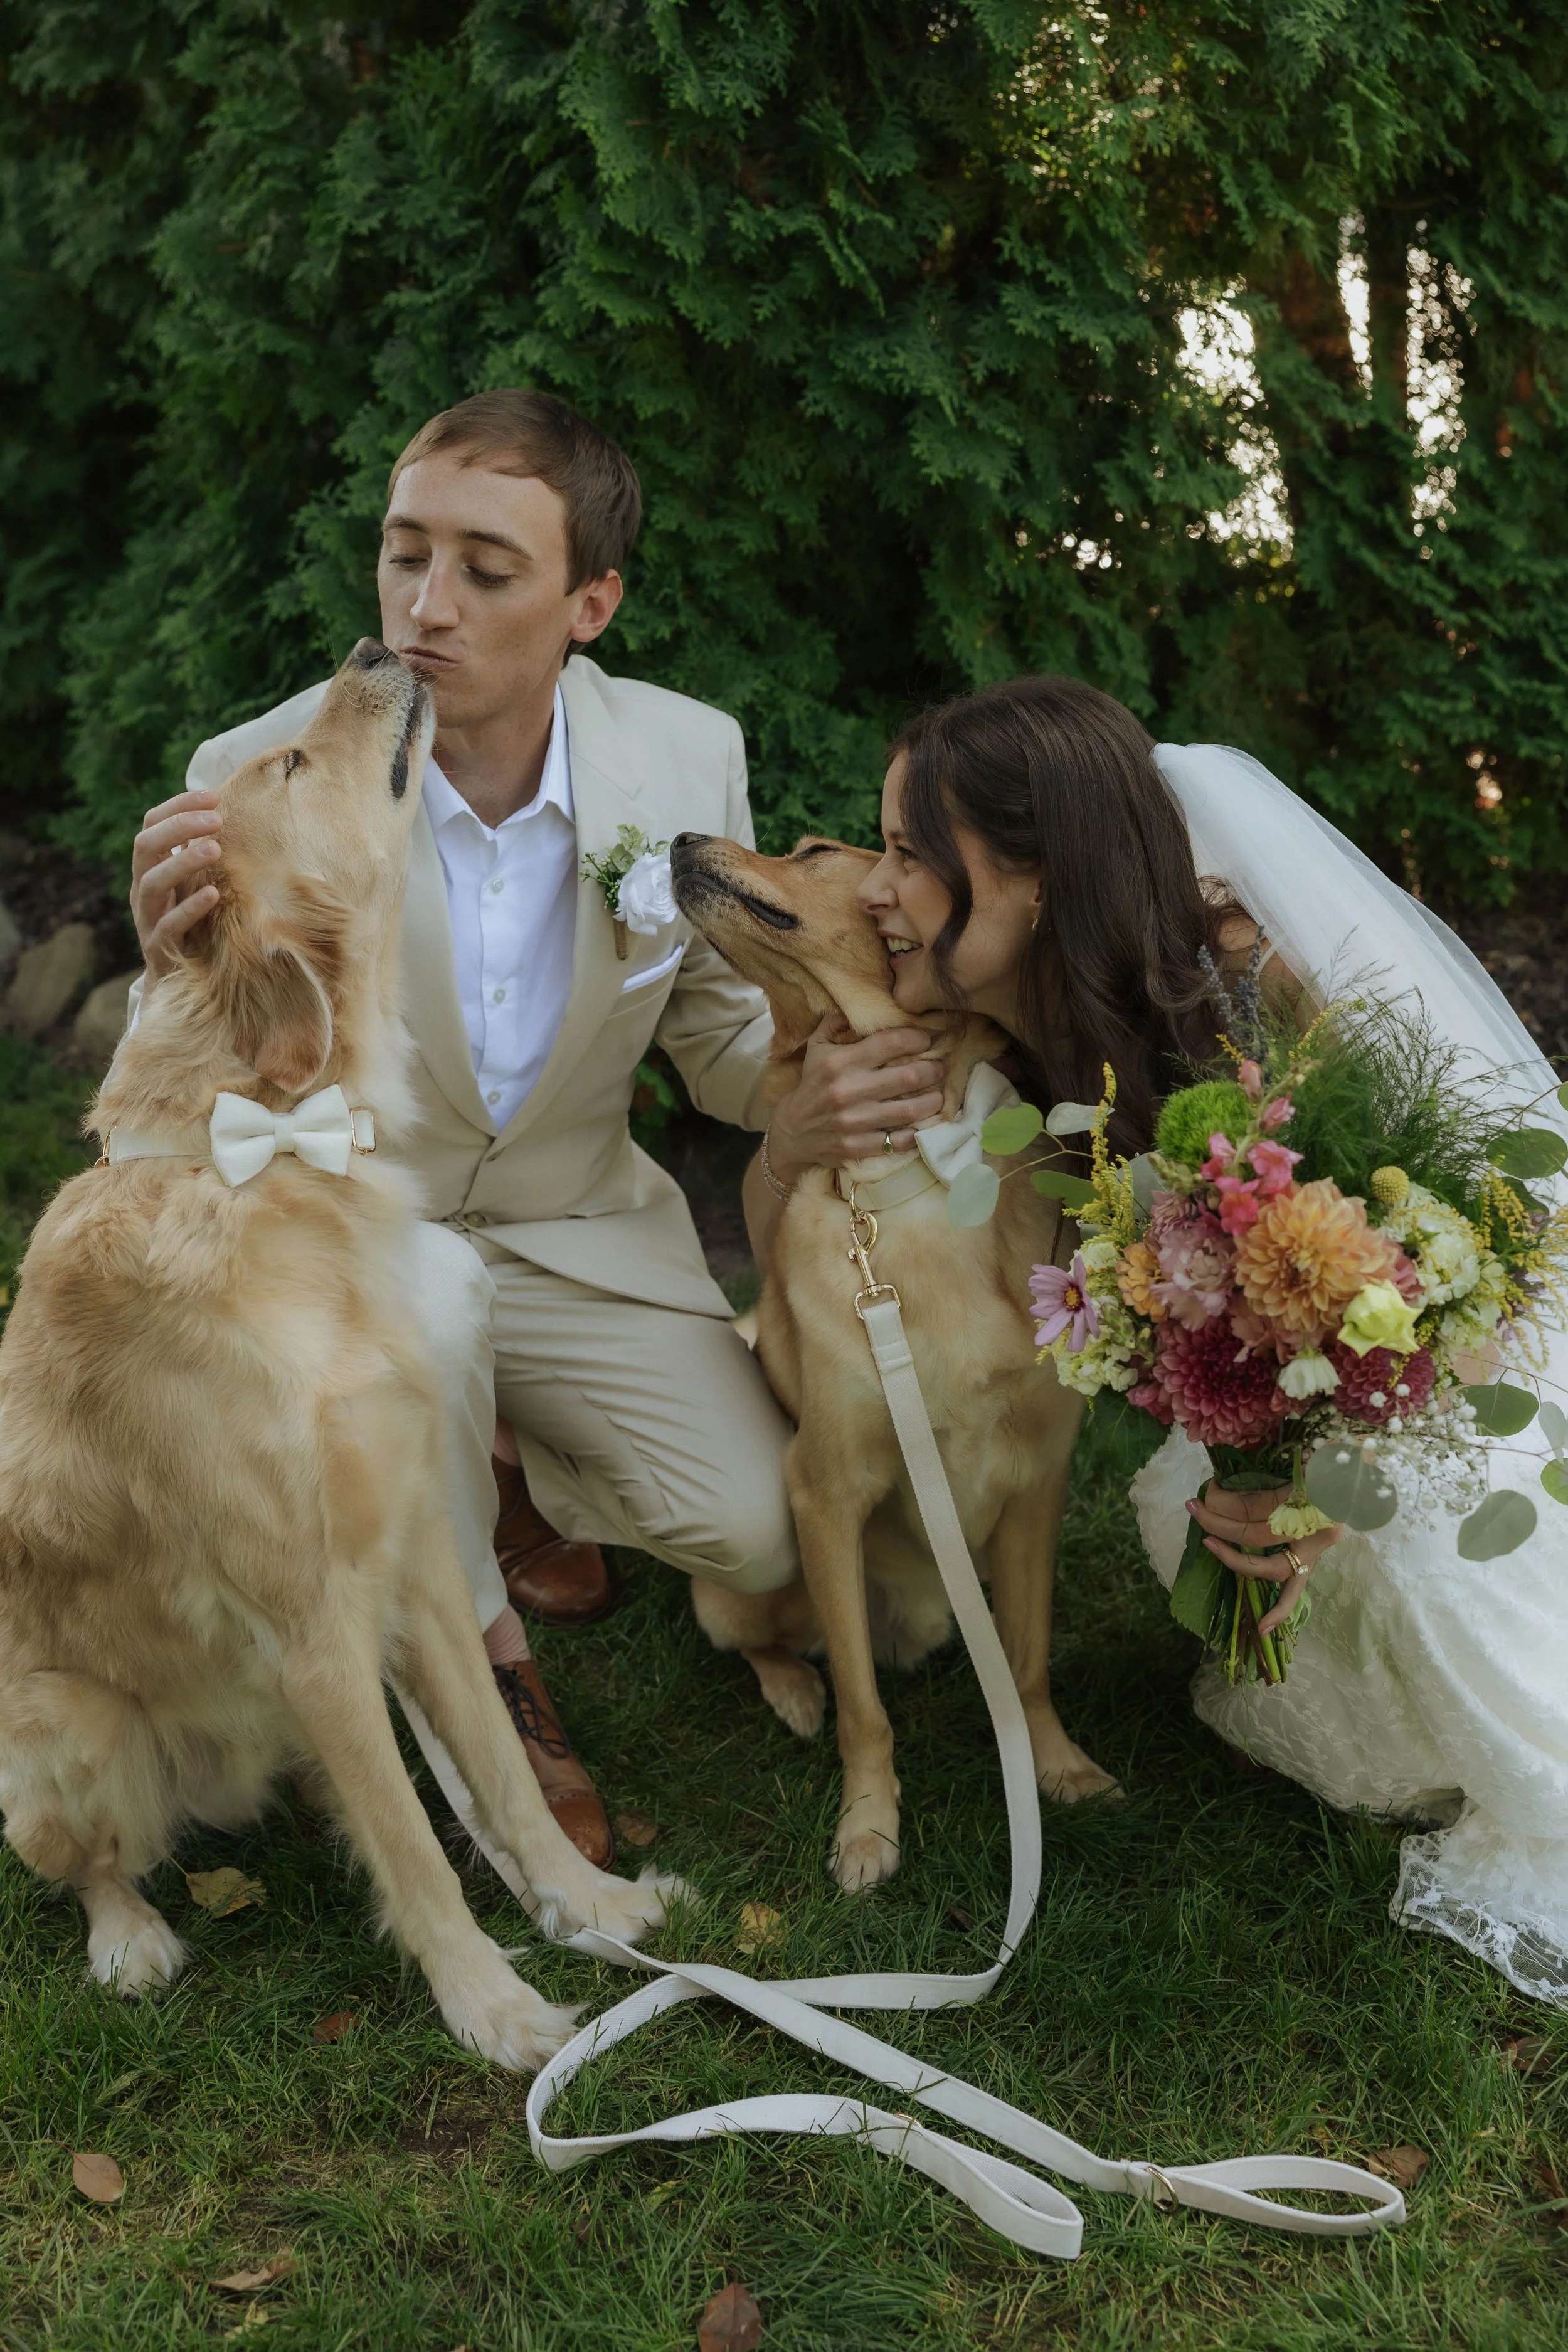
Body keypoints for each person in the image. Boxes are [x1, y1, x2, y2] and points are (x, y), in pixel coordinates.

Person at [124, 388, 948, 1866]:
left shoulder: (684, 757)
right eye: (402, 555)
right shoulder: (256, 768)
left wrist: (800, 1089)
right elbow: (177, 1083)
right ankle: (490, 1669)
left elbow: (703, 1027)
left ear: (590, 602)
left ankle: (498, 1467)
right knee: (428, 1311)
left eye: (486, 570)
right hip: (358, 1241)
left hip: (578, 1221)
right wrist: (172, 967)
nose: (424, 608)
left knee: (761, 1534)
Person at [847, 671, 1568, 2006]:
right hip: (1310, 1377)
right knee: (1203, 1521)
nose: (874, 891)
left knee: (1414, 1571)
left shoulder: (1259, 989)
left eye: (906, 855)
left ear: (1038, 880)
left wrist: (1332, 1489)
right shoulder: (1003, 1037)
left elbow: (1495, 1260)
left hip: (1463, 1368)